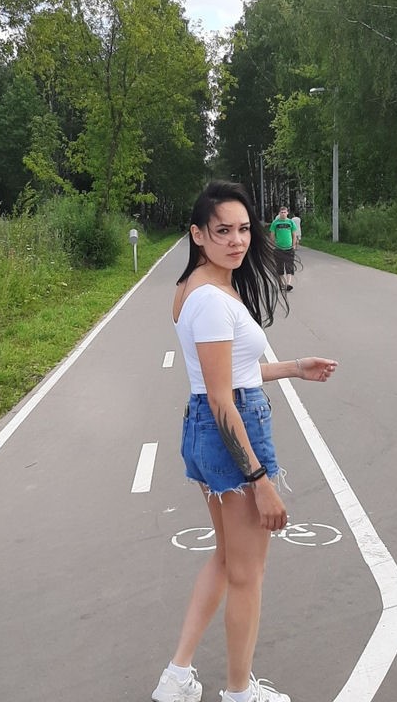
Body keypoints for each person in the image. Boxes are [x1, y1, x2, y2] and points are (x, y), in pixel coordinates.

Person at [152, 180, 338, 702]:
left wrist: (294, 367)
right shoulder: (213, 299)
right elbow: (222, 398)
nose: (237, 241)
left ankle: (177, 676)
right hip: (231, 430)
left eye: (243, 229)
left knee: (226, 559)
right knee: (248, 575)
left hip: (209, 426)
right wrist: (259, 481)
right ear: (198, 234)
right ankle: (238, 692)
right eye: (223, 231)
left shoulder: (194, 286)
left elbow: (230, 374)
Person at [268, 207, 298, 291]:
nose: (283, 214)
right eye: (282, 212)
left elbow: (294, 235)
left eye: (285, 212)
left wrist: (293, 245)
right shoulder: (275, 223)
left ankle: (288, 284)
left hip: (289, 248)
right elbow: (272, 235)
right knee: (279, 267)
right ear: (279, 213)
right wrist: (273, 244)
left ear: (287, 213)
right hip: (279, 248)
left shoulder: (290, 222)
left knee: (289, 266)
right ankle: (282, 283)